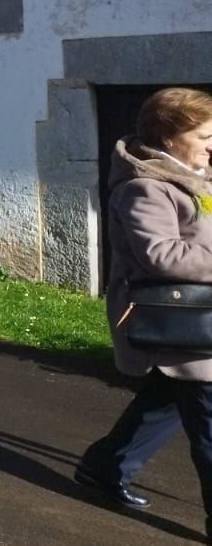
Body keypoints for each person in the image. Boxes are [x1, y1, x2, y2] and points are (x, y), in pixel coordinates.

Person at [79, 87, 212, 540]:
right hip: (183, 324)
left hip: (196, 323)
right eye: (204, 136)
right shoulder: (145, 188)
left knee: (165, 401)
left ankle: (104, 466)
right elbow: (162, 255)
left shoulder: (195, 178)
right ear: (170, 137)